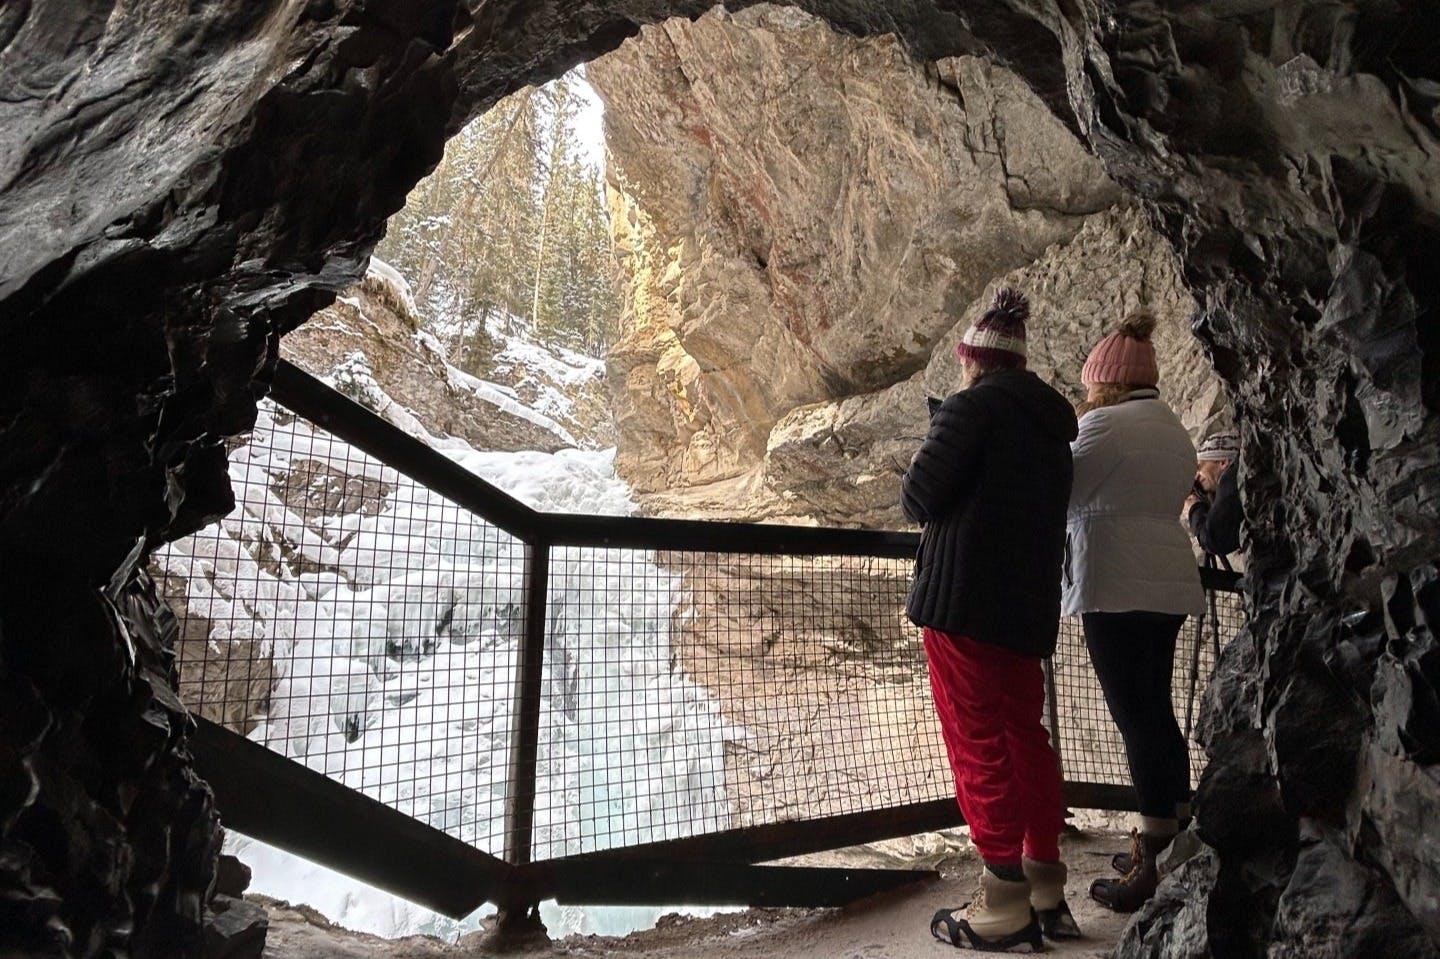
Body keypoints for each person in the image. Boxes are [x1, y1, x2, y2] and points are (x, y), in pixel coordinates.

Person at [903, 287, 1081, 951]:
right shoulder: (1051, 429)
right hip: (1024, 609)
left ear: (974, 361)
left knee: (976, 739)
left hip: (962, 605)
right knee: (1023, 736)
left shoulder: (968, 409)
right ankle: (1044, 882)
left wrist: (939, 426)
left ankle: (1001, 898)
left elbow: (917, 497)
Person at [1063, 312, 1206, 913]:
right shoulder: (1173, 428)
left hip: (1116, 584)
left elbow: (1062, 490)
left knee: (1137, 720)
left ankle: (1151, 865)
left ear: (1104, 382)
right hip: (1168, 583)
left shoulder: (1103, 426)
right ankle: (1170, 841)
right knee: (1158, 715)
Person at [1184, 431, 1242, 561]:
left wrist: (1194, 508)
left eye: (1199, 467)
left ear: (1222, 462)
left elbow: (1213, 539)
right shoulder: (1236, 481)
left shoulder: (1232, 478)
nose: (1196, 476)